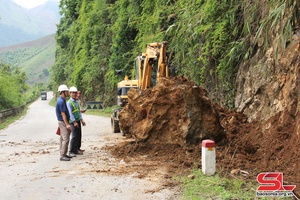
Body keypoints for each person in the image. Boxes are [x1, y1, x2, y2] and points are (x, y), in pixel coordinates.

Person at [67, 86, 86, 157]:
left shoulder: (76, 102)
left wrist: (82, 120)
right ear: (70, 93)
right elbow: (70, 113)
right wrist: (74, 122)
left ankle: (77, 148)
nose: (75, 94)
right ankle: (71, 151)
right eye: (73, 93)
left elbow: (78, 112)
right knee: (74, 136)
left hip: (77, 120)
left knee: (79, 135)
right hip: (72, 122)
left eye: (75, 93)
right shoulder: (69, 103)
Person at [55, 84, 72, 161]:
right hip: (62, 122)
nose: (68, 93)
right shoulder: (61, 101)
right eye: (66, 91)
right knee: (65, 138)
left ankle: (63, 153)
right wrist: (67, 124)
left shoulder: (62, 100)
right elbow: (63, 114)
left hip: (62, 121)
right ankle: (62, 155)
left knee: (62, 138)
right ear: (63, 92)